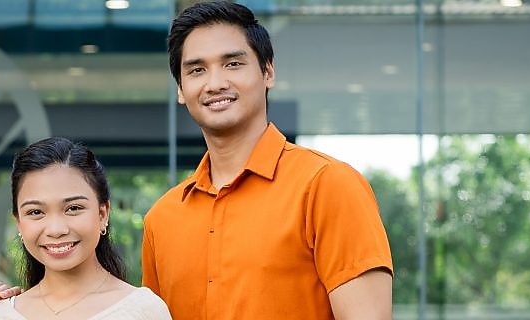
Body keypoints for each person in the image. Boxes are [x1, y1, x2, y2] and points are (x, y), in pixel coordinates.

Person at [141, 2, 394, 319]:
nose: (215, 83)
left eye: (232, 64)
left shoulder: (327, 184)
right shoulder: (161, 219)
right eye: (196, 70)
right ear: (181, 89)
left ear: (268, 71)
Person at [0, 137, 171, 320]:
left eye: (73, 208)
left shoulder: (144, 310)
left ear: (103, 214)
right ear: (19, 223)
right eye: (35, 212)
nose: (56, 229)